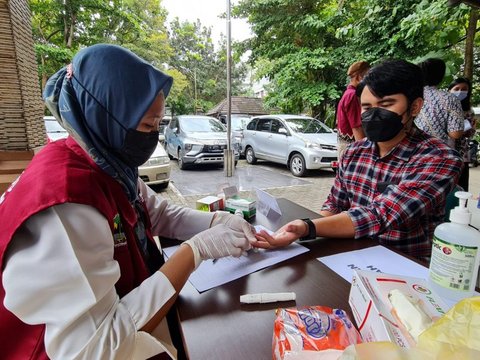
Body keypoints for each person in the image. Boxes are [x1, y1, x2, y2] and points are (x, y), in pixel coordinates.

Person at [0, 44, 255, 359]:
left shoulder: (106, 162)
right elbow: (98, 345)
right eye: (148, 126)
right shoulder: (66, 202)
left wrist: (218, 222)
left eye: (158, 125)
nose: (154, 137)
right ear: (104, 114)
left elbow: (157, 212)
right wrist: (195, 251)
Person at [254, 59, 463, 264]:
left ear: (415, 107)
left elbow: (381, 214)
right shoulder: (354, 152)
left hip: (405, 265)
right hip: (349, 256)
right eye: (366, 107)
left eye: (386, 104)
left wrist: (308, 227)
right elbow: (335, 205)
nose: (374, 114)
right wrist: (296, 231)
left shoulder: (439, 158)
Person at [414, 58, 464, 147]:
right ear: (441, 76)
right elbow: (455, 134)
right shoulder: (450, 99)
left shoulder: (410, 96)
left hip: (411, 150)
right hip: (440, 152)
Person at [336, 60, 370, 160]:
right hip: (352, 148)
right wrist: (365, 153)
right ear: (359, 77)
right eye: (367, 76)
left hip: (347, 146)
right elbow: (356, 127)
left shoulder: (348, 94)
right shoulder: (352, 95)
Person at [448, 77, 476, 191]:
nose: (460, 91)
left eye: (464, 89)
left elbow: (471, 132)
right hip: (446, 152)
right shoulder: (444, 106)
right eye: (457, 88)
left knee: (462, 187)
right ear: (450, 90)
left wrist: (469, 128)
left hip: (462, 153)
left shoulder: (469, 110)